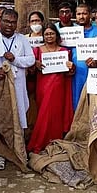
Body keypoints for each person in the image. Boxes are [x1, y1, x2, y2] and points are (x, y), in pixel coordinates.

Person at [0, 9, 35, 169]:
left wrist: (15, 59)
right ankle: (0, 154)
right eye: (6, 21)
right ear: (0, 20)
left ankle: (19, 151)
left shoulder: (22, 39)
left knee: (19, 117)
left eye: (13, 22)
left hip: (18, 85)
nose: (10, 25)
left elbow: (30, 60)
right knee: (0, 118)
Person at [27, 23, 75, 153]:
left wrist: (71, 67)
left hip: (59, 88)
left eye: (52, 33)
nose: (49, 36)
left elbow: (70, 73)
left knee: (56, 115)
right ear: (43, 36)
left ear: (56, 35)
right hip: (43, 87)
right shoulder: (37, 51)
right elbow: (30, 72)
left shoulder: (65, 51)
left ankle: (55, 141)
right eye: (47, 34)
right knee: (43, 113)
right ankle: (40, 142)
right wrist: (34, 63)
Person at [71, 3, 97, 110]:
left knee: (93, 103)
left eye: (84, 13)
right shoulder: (70, 33)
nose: (81, 16)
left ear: (90, 15)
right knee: (77, 103)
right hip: (76, 74)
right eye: (79, 14)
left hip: (93, 72)